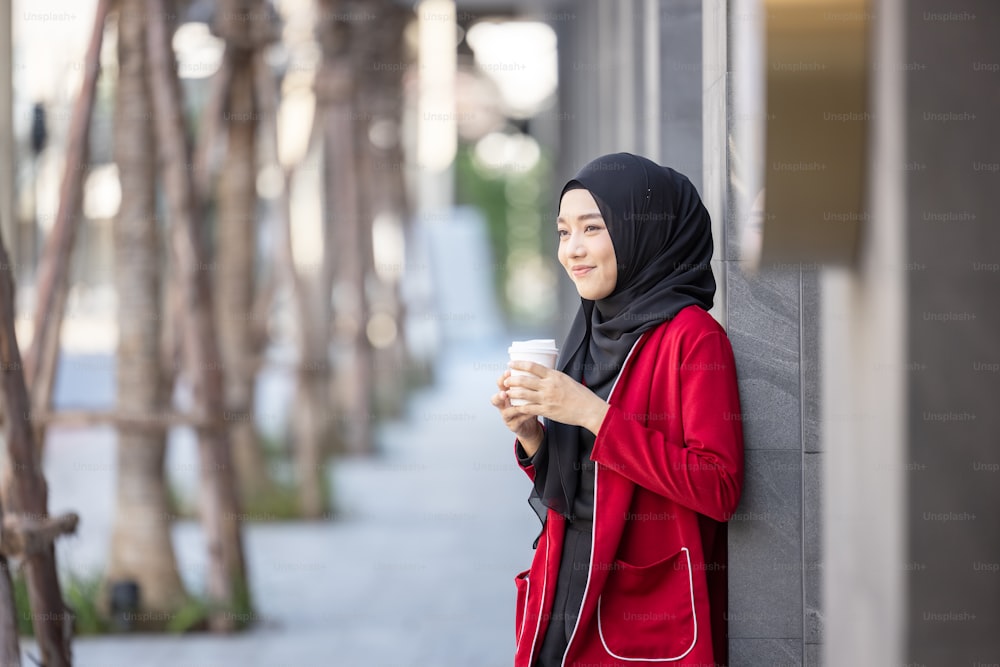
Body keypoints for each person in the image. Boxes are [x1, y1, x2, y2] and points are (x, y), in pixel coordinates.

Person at [491, 153, 745, 667]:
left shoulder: (693, 338)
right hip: (565, 590)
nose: (572, 250)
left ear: (642, 234)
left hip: (637, 614)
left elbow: (718, 488)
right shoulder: (591, 332)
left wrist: (592, 413)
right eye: (563, 232)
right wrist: (533, 436)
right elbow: (580, 487)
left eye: (592, 228)